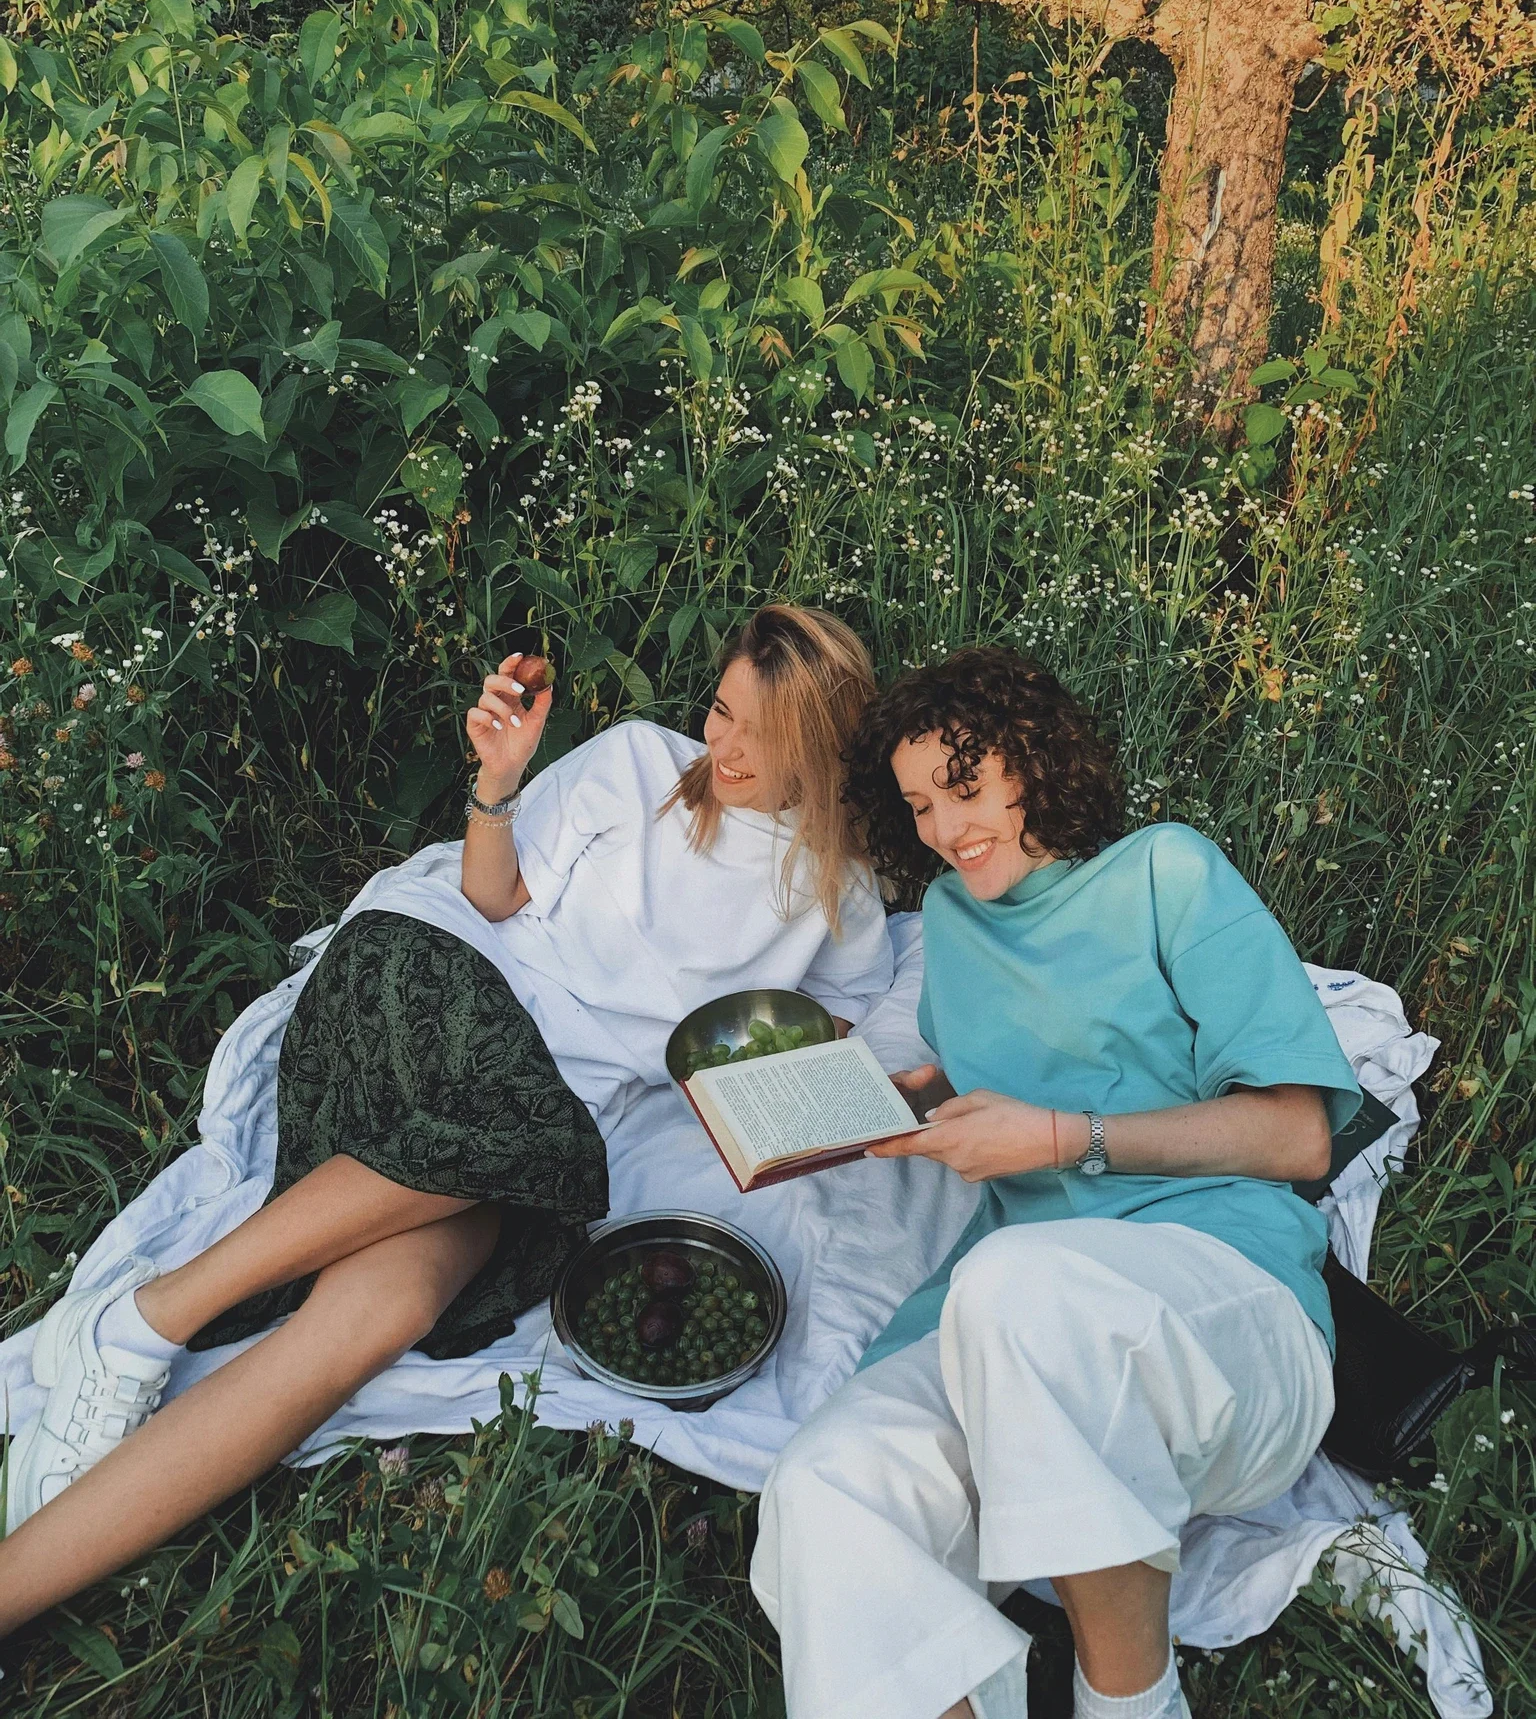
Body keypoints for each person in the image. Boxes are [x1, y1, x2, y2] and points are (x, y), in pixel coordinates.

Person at [0, 605, 893, 1633]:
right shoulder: (642, 763)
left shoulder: (837, 894)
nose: (725, 745)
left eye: (762, 735)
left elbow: (855, 1018)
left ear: (820, 750)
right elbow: (490, 892)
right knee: (522, 1140)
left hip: (524, 1132)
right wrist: (499, 782)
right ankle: (148, 1318)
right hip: (440, 975)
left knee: (371, 1323)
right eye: (722, 709)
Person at [751, 646, 1362, 1719]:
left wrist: (1064, 1138)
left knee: (1015, 1283)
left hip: (1219, 1307)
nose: (945, 827)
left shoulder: (1165, 872)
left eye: (966, 785)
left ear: (1033, 760)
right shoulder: (950, 918)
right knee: (819, 1490)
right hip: (1011, 1335)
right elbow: (991, 1068)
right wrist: (892, 1098)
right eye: (920, 805)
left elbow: (1300, 1134)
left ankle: (1131, 1699)